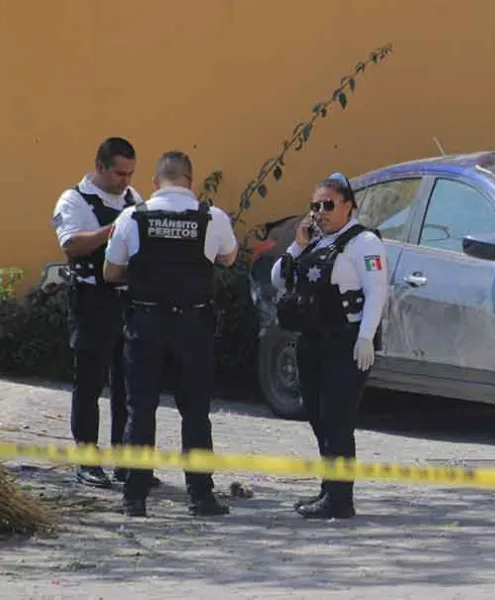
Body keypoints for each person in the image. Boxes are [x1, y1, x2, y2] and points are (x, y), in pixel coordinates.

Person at [102, 150, 238, 517]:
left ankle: (135, 498)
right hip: (194, 327)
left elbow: (111, 272)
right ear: (191, 182)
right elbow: (229, 258)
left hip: (146, 326)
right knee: (196, 413)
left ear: (154, 183)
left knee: (140, 410)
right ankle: (201, 496)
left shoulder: (132, 217)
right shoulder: (213, 218)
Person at [270, 172, 388, 520]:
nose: (320, 212)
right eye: (315, 206)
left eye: (328, 205)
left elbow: (377, 290)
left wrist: (366, 336)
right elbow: (278, 277)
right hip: (312, 340)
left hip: (345, 341)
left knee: (337, 420)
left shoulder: (363, 243)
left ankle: (340, 498)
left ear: (348, 205)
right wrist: (298, 244)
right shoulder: (316, 243)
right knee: (318, 415)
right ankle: (329, 486)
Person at [51, 136, 160, 489]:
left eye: (131, 173)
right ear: (100, 167)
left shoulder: (133, 199)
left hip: (127, 300)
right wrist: (111, 230)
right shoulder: (75, 199)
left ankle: (124, 461)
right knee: (90, 382)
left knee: (126, 384)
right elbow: (71, 244)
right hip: (91, 300)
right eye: (119, 173)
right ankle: (87, 459)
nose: (126, 181)